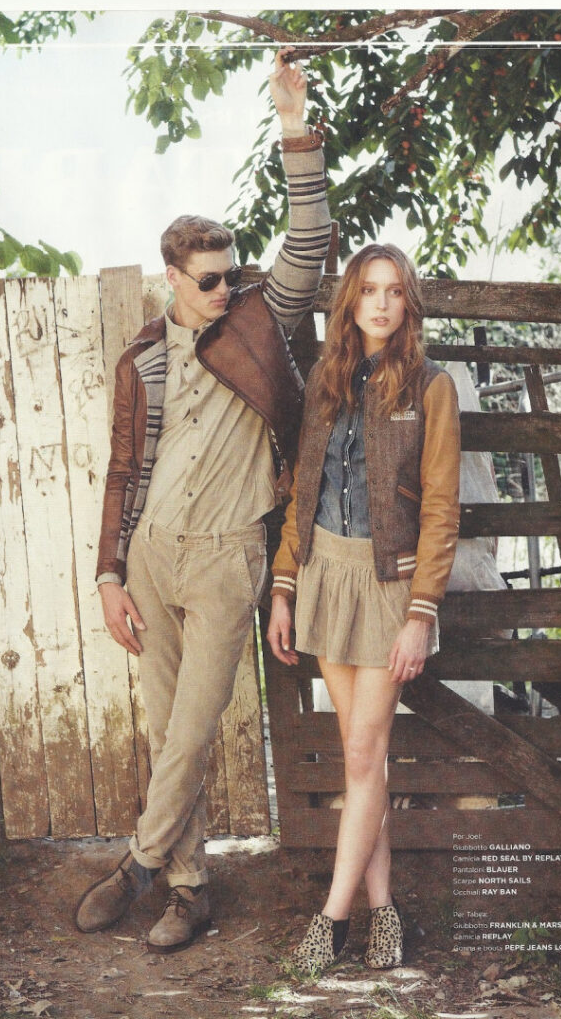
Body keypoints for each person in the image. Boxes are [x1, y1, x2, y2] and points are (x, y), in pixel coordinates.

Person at [74, 47, 331, 953]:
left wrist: (293, 125)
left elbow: (309, 244)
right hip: (153, 552)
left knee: (192, 729)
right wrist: (110, 573)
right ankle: (189, 890)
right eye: (209, 279)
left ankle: (136, 865)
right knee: (163, 726)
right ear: (173, 280)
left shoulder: (259, 316)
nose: (226, 289)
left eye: (231, 273)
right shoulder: (142, 358)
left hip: (229, 553)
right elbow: (122, 470)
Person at [267, 243, 460, 974]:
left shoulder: (431, 387)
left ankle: (331, 920)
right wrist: (284, 587)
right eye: (369, 290)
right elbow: (302, 493)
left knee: (360, 755)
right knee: (364, 759)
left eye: (395, 291)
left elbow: (441, 510)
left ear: (409, 304)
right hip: (326, 575)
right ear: (349, 300)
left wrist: (421, 613)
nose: (381, 303)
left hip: (387, 587)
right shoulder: (326, 380)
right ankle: (386, 913)